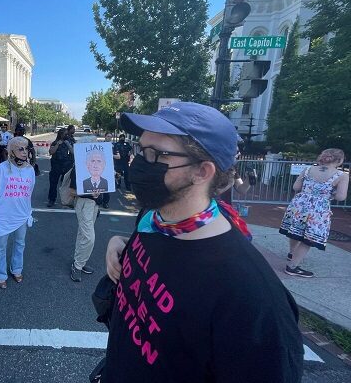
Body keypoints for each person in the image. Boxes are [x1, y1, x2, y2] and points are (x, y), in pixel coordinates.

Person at [101, 102, 304, 382]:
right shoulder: (153, 219)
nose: (139, 165)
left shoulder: (252, 299)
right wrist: (119, 242)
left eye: (157, 155)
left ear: (202, 172)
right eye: (140, 150)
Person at [280, 148, 349, 278]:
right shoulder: (341, 176)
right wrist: (330, 193)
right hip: (319, 209)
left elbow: (296, 187)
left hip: (300, 204)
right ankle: (292, 267)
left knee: (296, 231)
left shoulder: (308, 169)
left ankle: (291, 253)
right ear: (339, 160)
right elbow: (341, 196)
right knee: (309, 238)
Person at [0, 137, 36, 289]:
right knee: (0, 247)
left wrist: (27, 210)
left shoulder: (30, 170)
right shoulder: (1, 169)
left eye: (26, 149)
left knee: (20, 243)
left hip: (22, 214)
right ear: (11, 151)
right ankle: (0, 274)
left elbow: (29, 192)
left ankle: (16, 269)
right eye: (20, 149)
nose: (25, 152)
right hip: (3, 215)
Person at [70, 135, 102, 282]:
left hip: (93, 205)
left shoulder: (94, 166)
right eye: (93, 146)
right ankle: (77, 266)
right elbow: (71, 192)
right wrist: (90, 193)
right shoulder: (79, 167)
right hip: (84, 204)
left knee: (83, 235)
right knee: (89, 238)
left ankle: (79, 263)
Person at [47, 128, 73, 207]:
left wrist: (68, 144)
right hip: (56, 165)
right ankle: (52, 199)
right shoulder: (55, 142)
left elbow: (73, 152)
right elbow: (51, 152)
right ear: (61, 135)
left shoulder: (69, 141)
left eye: (67, 134)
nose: (67, 136)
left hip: (66, 165)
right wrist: (58, 144)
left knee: (68, 184)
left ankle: (68, 201)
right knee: (53, 183)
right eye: (65, 134)